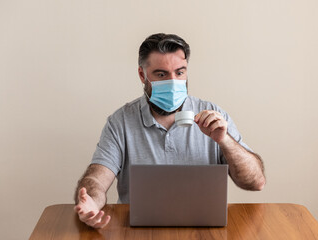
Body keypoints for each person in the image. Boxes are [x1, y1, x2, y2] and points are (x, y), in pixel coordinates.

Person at [74, 33, 266, 228]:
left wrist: (225, 140)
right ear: (142, 75)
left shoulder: (215, 115)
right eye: (161, 74)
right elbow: (96, 179)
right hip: (139, 230)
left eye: (180, 72)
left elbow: (256, 182)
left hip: (205, 228)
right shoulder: (120, 122)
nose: (173, 82)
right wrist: (90, 202)